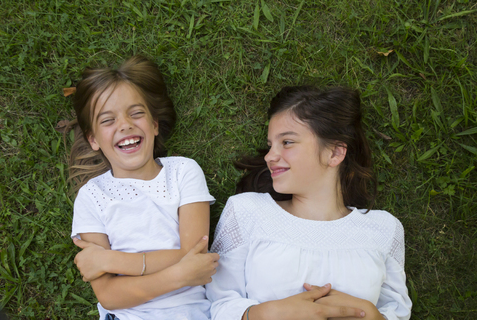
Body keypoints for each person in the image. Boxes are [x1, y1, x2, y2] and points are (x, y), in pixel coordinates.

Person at [206, 86, 412, 320]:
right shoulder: (246, 211)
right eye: (271, 144)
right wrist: (267, 313)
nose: (269, 156)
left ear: (334, 153)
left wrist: (373, 317)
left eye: (287, 142)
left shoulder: (384, 228)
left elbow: (398, 311)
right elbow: (216, 304)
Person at [67, 55, 219, 320]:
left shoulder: (183, 171)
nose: (125, 124)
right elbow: (110, 297)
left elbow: (196, 256)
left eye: (136, 113)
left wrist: (110, 261)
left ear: (154, 124)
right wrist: (179, 274)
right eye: (107, 120)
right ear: (93, 139)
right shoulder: (91, 197)